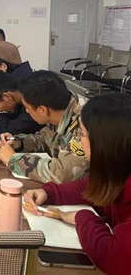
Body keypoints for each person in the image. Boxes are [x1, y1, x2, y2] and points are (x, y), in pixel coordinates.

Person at [23, 93, 131, 275]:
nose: (79, 141)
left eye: (82, 134)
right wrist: (49, 193)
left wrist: (82, 217)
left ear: (102, 142)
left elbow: (115, 258)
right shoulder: (118, 171)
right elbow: (92, 186)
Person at [0, 70, 88, 183]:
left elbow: (62, 174)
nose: (26, 111)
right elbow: (45, 139)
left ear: (42, 110)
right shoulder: (59, 107)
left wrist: (14, 160)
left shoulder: (85, 123)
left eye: (27, 107)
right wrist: (19, 143)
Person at [0, 71, 44, 138]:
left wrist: (1, 114)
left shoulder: (32, 104)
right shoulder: (19, 92)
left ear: (6, 97)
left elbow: (7, 132)